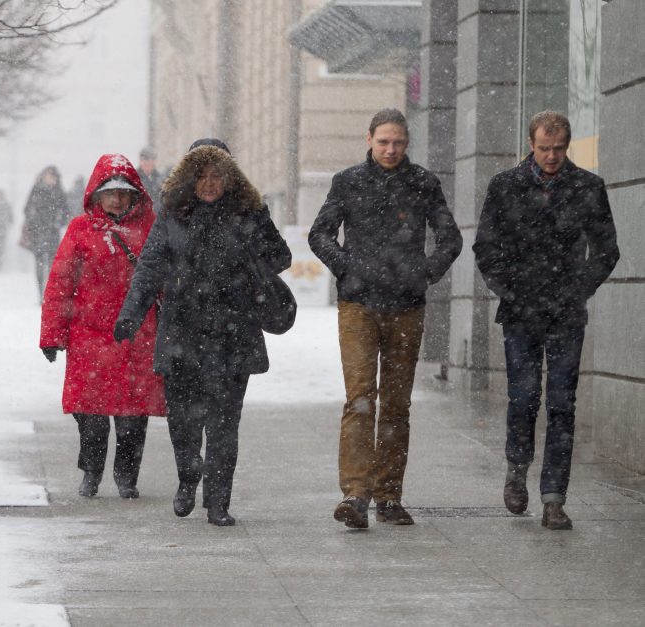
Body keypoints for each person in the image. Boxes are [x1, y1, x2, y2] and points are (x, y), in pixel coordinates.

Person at [114, 138, 292, 526]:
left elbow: (281, 257)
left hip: (234, 333)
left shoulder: (249, 212)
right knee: (184, 422)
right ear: (189, 179)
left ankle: (218, 502)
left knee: (225, 423)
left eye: (218, 176)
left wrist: (252, 240)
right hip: (183, 334)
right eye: (202, 176)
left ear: (230, 179)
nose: (210, 184)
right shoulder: (173, 215)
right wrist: (131, 315)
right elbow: (148, 270)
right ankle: (188, 475)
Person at [308, 108, 462, 529]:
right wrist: (347, 267)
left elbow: (450, 238)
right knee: (360, 398)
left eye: (397, 142)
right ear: (369, 140)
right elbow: (319, 233)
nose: (390, 149)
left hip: (406, 306)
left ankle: (390, 496)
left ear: (406, 143)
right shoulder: (348, 182)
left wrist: (424, 272)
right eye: (383, 142)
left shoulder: (423, 183)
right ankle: (355, 494)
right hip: (358, 305)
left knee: (396, 404)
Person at [473, 111, 619, 530]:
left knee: (561, 403)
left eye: (558, 149)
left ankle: (554, 496)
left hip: (566, 311)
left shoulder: (587, 187)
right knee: (523, 397)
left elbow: (607, 250)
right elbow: (486, 246)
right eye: (544, 148)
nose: (551, 156)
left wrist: (578, 288)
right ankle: (517, 468)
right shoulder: (506, 186)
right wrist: (509, 287)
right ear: (531, 145)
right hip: (520, 311)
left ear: (567, 146)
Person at [39, 154, 166, 499]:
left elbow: (164, 279)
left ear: (134, 195)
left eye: (123, 193)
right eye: (109, 193)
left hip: (137, 336)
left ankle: (127, 476)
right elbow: (60, 285)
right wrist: (52, 335)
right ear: (96, 195)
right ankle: (91, 471)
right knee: (91, 418)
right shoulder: (80, 230)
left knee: (132, 419)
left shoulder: (150, 227)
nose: (117, 199)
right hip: (90, 337)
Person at [21, 165, 70, 298]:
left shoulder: (59, 191)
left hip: (52, 233)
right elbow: (27, 209)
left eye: (52, 175)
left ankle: (49, 294)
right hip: (38, 233)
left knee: (52, 265)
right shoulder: (36, 190)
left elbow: (66, 212)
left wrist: (58, 223)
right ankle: (41, 294)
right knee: (40, 264)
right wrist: (34, 221)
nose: (50, 178)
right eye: (48, 175)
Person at [137, 146, 163, 212]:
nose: (149, 162)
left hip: (156, 217)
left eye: (152, 159)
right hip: (140, 217)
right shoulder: (134, 178)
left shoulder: (160, 179)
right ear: (141, 161)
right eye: (146, 159)